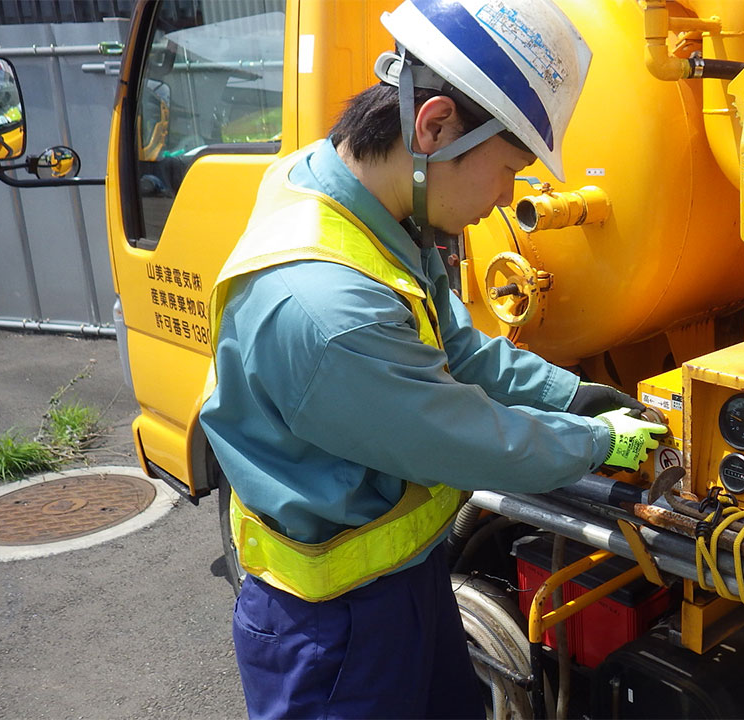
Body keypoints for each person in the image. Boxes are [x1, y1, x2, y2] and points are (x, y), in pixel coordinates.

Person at [198, 1, 668, 717]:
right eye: (507, 168)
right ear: (435, 125)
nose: (507, 197)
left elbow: (460, 349)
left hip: (406, 578)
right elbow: (472, 440)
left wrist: (573, 395)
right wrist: (599, 442)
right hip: (333, 626)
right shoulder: (325, 312)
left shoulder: (367, 208)